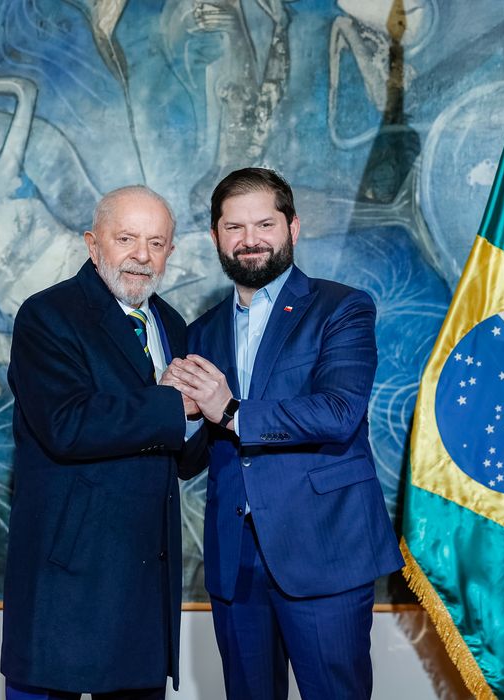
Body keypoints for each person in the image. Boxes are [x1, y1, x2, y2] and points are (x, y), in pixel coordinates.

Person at [167, 167, 402, 699]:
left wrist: (228, 410)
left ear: (293, 228)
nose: (250, 239)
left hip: (324, 549)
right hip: (235, 559)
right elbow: (192, 459)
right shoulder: (202, 331)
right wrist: (179, 411)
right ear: (215, 237)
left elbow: (339, 411)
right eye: (234, 228)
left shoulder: (341, 307)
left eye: (264, 224)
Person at [1, 186, 205, 699]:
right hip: (66, 581)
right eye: (127, 238)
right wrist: (175, 405)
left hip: (142, 584)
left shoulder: (173, 325)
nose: (142, 255)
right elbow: (66, 424)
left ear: (169, 253)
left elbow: (182, 460)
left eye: (156, 243)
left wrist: (209, 413)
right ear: (94, 245)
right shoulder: (47, 315)